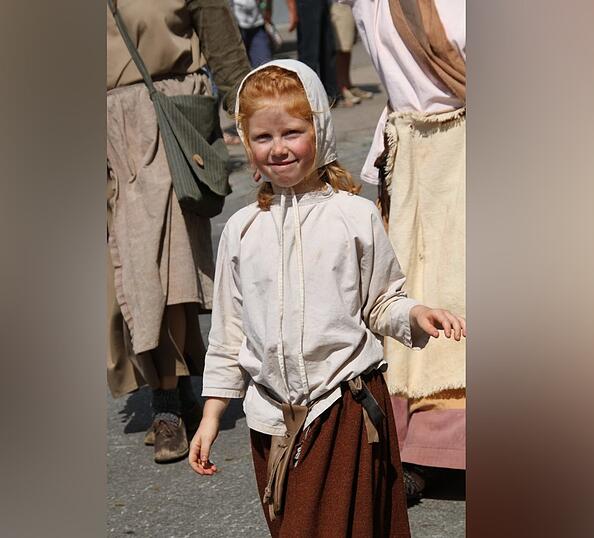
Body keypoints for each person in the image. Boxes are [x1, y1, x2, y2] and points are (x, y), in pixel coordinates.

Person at [187, 60, 466, 536]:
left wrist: (417, 314)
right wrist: (212, 414)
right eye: (262, 138)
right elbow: (228, 333)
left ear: (319, 130)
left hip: (343, 410)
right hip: (270, 420)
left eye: (292, 132)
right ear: (246, 143)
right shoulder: (240, 230)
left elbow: (381, 301)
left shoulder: (353, 216)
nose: (278, 149)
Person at [106, 0, 251, 464]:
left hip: (165, 119)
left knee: (161, 268)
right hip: (104, 136)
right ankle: (182, 383)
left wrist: (255, 115)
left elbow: (223, 46)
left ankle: (167, 403)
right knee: (126, 274)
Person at [341, 0, 467, 501]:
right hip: (422, 152)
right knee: (419, 291)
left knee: (449, 285)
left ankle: (426, 447)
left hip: (451, 147)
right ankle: (420, 446)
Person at [285, 0, 340, 105]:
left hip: (322, 3)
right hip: (307, 4)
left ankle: (331, 94)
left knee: (328, 49)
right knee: (309, 54)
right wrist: (292, 9)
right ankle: (309, 98)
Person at [330, 1, 373, 106]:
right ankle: (341, 88)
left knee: (348, 45)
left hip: (351, 4)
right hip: (338, 4)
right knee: (341, 46)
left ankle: (347, 84)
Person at [230, 0, 273, 67]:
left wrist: (268, 9)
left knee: (265, 66)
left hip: (257, 26)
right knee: (235, 68)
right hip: (233, 27)